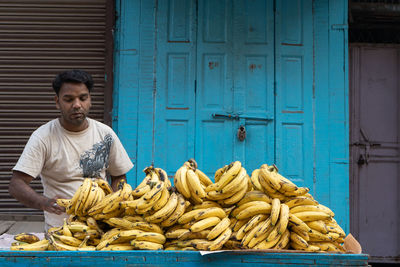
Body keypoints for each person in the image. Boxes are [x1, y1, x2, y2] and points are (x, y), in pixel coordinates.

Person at [8, 69, 133, 231]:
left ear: (90, 100)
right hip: (62, 230)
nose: (77, 105)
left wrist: (115, 203)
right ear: (57, 101)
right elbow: (16, 184)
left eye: (83, 98)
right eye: (68, 99)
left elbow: (119, 175)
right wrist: (43, 202)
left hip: (101, 228)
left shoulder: (105, 134)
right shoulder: (43, 137)